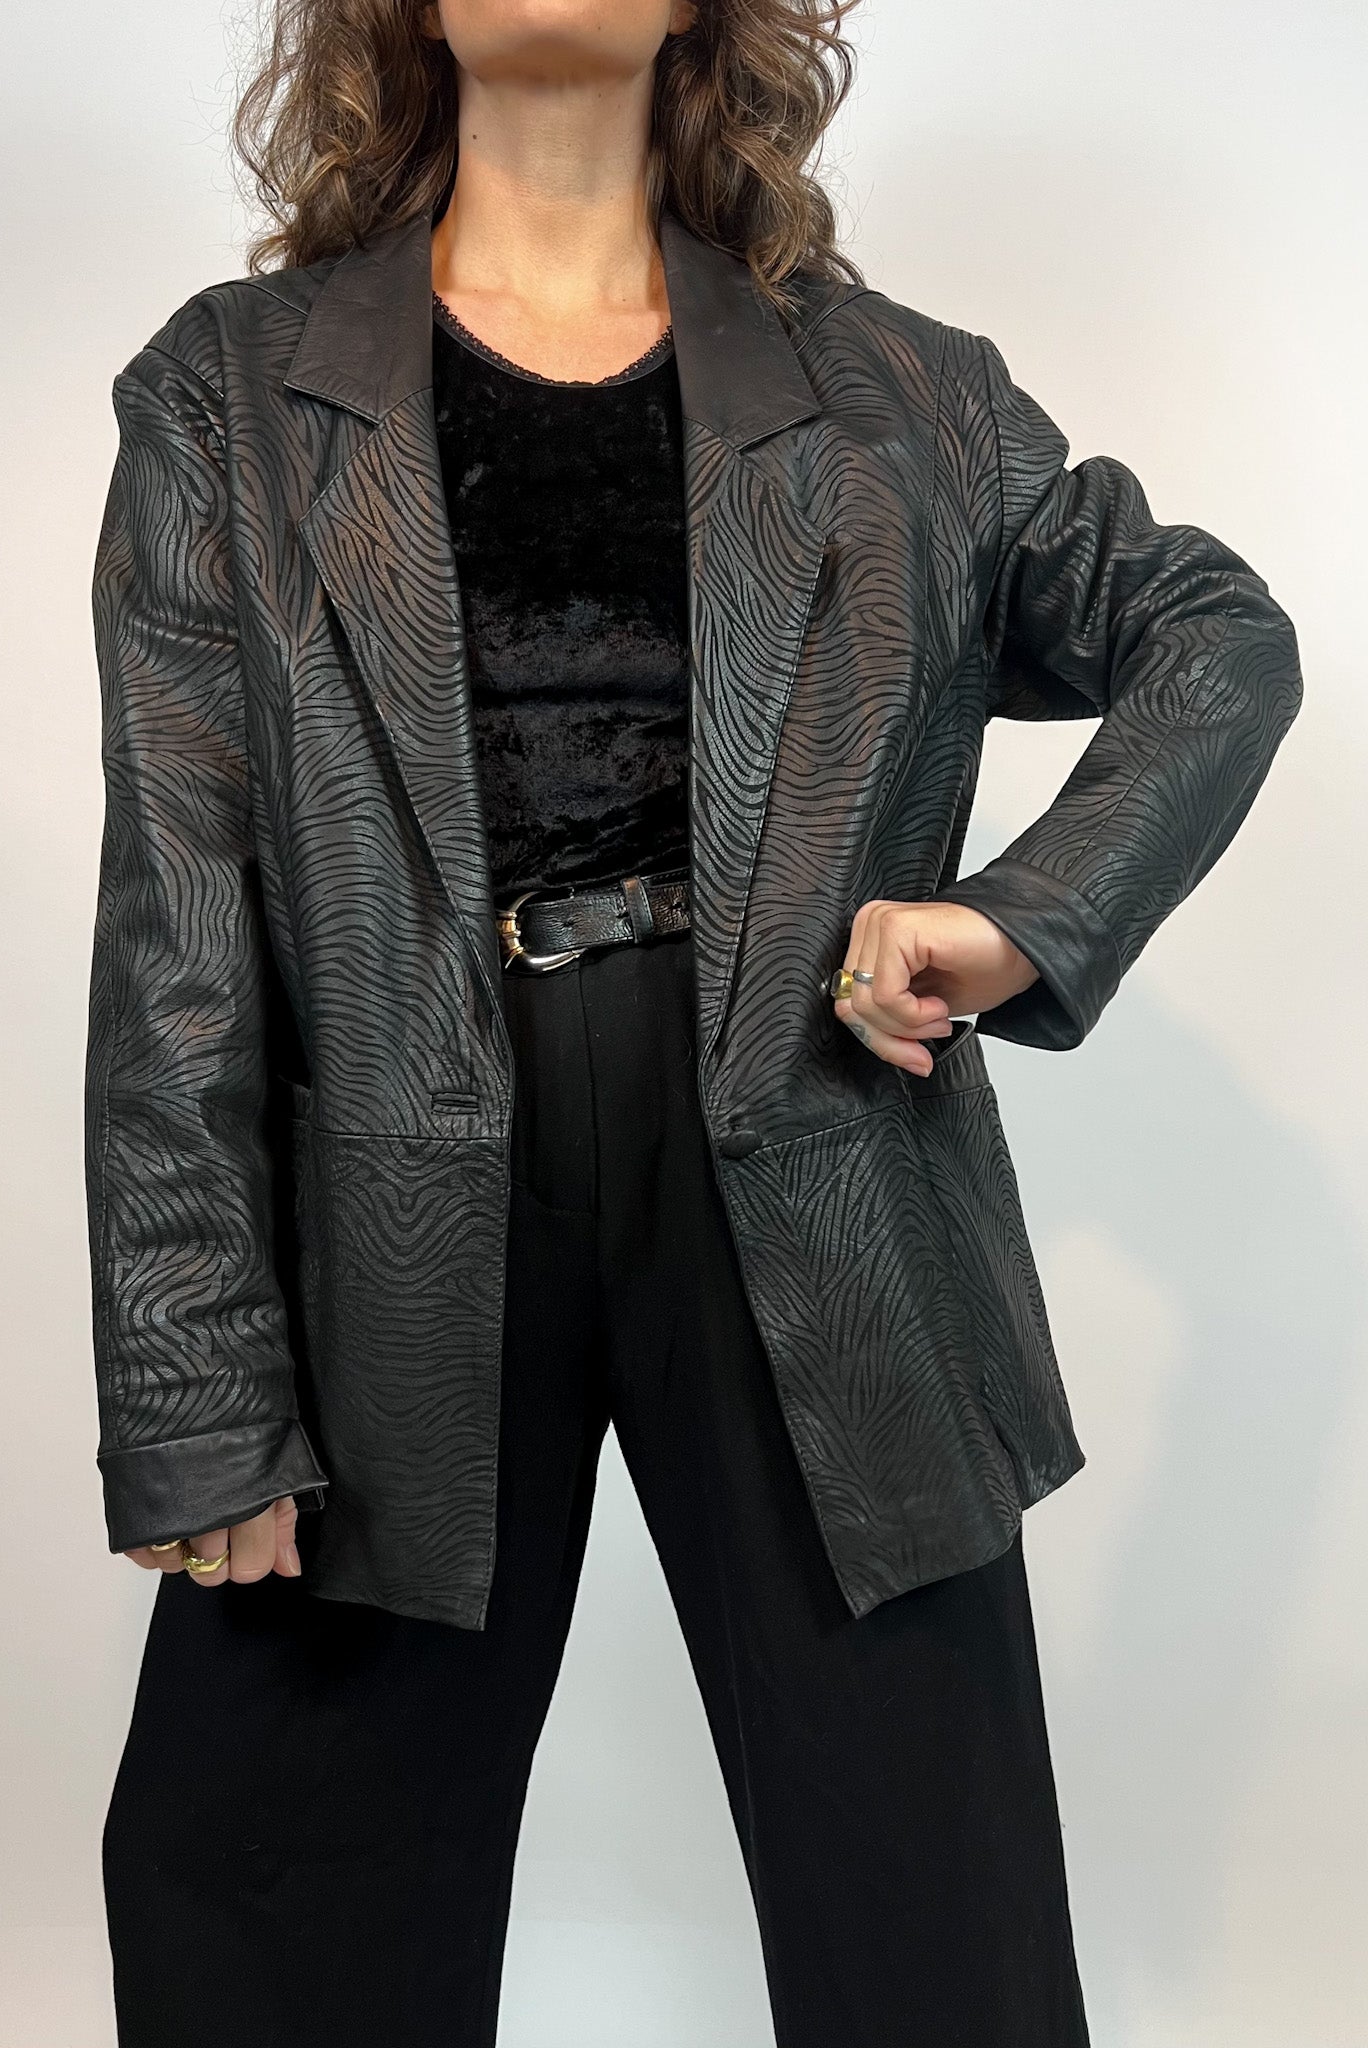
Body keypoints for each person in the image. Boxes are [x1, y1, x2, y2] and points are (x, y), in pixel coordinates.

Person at [83, 0, 1304, 2038]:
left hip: (819, 1152)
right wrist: (199, 1387)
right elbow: (176, 922)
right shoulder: (227, 395)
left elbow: (1212, 633)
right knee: (276, 1903)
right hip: (395, 1197)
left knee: (936, 1922)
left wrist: (1017, 922)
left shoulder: (901, 391)